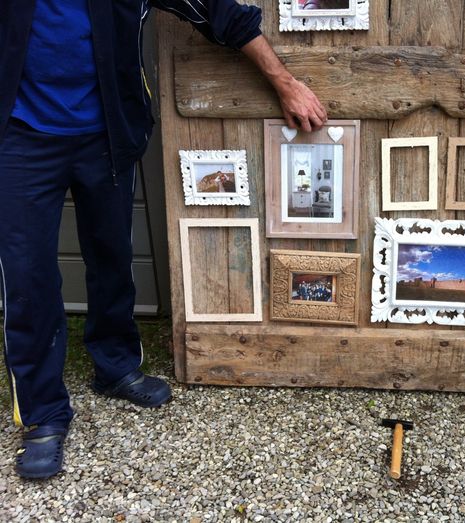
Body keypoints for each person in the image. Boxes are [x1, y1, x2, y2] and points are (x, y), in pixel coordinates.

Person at [0, 0, 327, 480]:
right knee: (27, 278)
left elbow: (217, 12)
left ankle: (115, 365)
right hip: (19, 138)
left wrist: (285, 82)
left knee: (112, 256)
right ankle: (43, 414)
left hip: (107, 133)